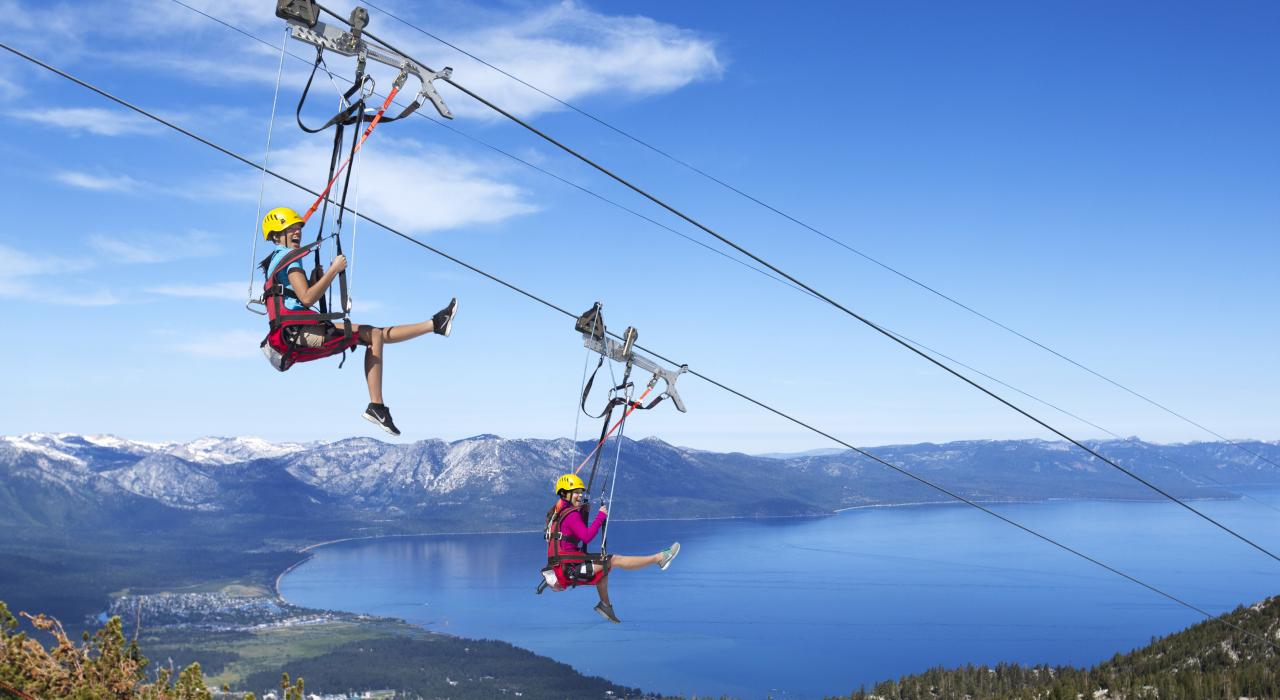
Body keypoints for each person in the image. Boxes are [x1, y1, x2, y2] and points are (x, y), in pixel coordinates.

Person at [259, 206, 458, 436]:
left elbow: (299, 297)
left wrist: (318, 278)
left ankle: (436, 324)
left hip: (294, 331)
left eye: (298, 228)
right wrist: (333, 270)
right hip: (298, 331)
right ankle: (376, 406)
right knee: (372, 335)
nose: (297, 233)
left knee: (373, 334)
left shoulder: (278, 259)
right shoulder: (289, 258)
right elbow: (307, 298)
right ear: (276, 235)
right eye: (290, 229)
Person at [544, 473, 680, 624]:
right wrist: (600, 516)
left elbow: (569, 537)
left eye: (581, 492)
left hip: (563, 568)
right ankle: (660, 558)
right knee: (613, 560)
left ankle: (605, 605)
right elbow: (587, 536)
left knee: (603, 567)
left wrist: (583, 511)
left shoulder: (559, 514)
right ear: (565, 494)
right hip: (569, 570)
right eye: (576, 492)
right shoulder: (570, 515)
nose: (580, 496)